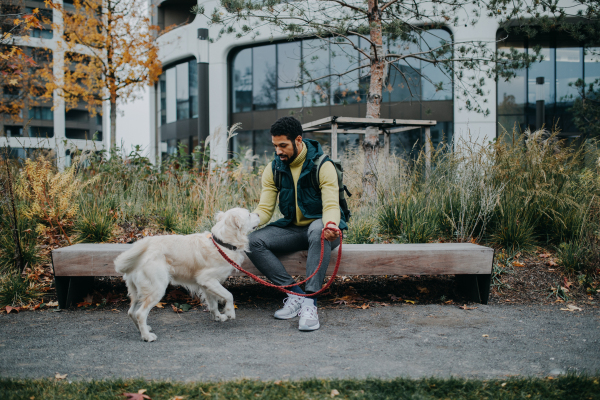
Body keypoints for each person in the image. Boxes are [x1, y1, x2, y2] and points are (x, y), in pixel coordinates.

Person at [246, 116, 347, 331]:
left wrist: (331, 225)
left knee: (318, 229)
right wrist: (243, 224)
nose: (278, 151)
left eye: (283, 145)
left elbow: (331, 205)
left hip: (325, 231)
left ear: (298, 140)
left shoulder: (323, 165)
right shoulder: (273, 169)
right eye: (275, 146)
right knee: (252, 241)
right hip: (294, 229)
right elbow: (264, 210)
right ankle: (295, 294)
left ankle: (310, 303)